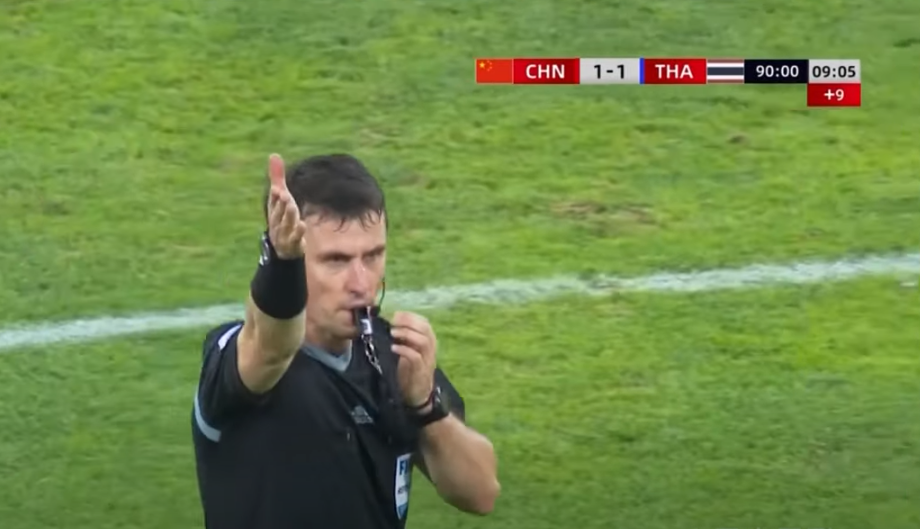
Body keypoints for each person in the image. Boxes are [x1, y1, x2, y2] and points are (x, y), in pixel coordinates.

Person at [190, 152, 500, 529]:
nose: (361, 283)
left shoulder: (392, 355)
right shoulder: (238, 359)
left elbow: (481, 492)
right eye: (336, 260)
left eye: (373, 256)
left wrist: (424, 406)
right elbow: (272, 345)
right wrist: (282, 263)